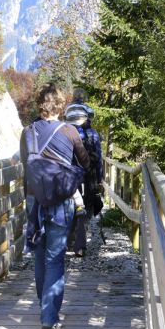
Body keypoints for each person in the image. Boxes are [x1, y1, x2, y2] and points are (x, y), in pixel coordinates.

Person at [20, 83, 90, 329]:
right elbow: (85, 161)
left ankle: (45, 308)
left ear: (40, 104)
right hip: (61, 200)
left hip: (34, 201)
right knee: (55, 258)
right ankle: (49, 316)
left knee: (39, 254)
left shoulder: (27, 132)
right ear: (61, 106)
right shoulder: (69, 131)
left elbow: (25, 166)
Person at [65, 88, 103, 257]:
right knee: (85, 207)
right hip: (89, 175)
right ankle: (80, 245)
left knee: (70, 205)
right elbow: (98, 158)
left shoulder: (66, 125)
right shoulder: (92, 134)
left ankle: (68, 241)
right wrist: (100, 179)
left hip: (70, 173)